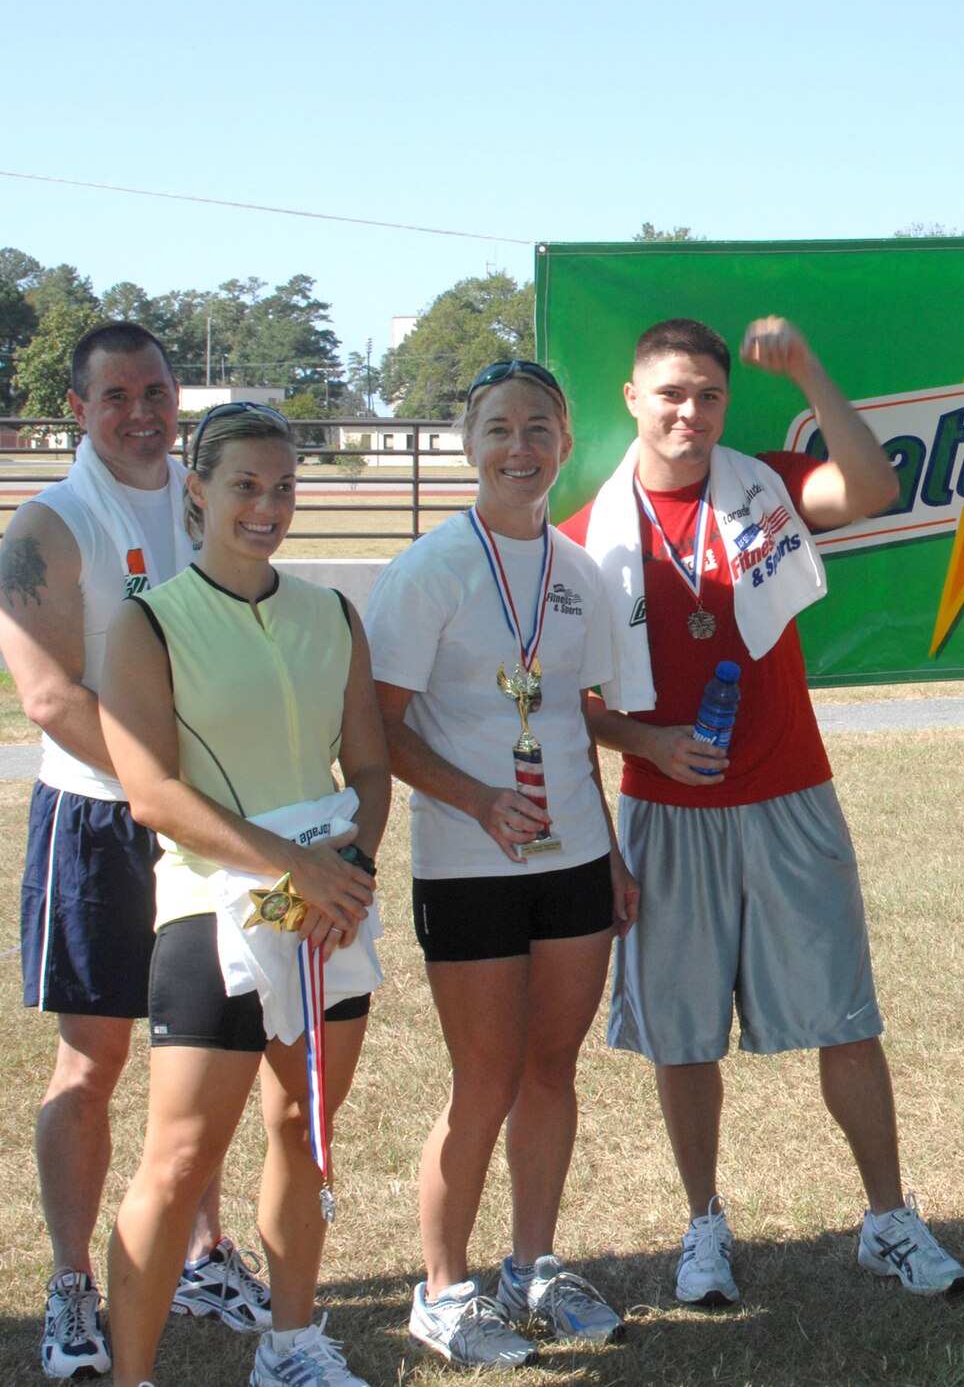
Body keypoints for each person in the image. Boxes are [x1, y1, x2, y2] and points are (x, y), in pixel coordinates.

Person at [564, 317, 964, 1303]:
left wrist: (807, 369)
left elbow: (872, 487)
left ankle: (887, 1216)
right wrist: (648, 742)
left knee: (845, 1015)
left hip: (790, 792)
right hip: (667, 807)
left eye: (706, 394)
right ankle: (703, 1224)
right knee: (683, 1033)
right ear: (631, 398)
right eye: (669, 393)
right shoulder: (583, 536)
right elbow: (562, 703)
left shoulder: (766, 484)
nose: (689, 412)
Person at [97, 403, 391, 1387]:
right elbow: (153, 793)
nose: (268, 508)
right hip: (210, 915)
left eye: (284, 487)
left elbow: (371, 770)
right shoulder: (145, 625)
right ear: (198, 491)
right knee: (178, 1163)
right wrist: (289, 867)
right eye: (245, 487)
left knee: (304, 1136)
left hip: (327, 918)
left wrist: (346, 877)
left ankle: (291, 1343)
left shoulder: (331, 614)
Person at [0, 323, 271, 1380]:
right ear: (78, 409)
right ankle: (72, 1285)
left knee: (198, 1048)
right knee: (95, 1057)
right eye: (116, 396)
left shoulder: (204, 498)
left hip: (200, 814)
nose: (142, 413)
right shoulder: (51, 523)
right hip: (104, 818)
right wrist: (164, 781)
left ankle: (202, 1252)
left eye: (156, 391)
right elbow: (51, 696)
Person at [368, 360, 636, 1367]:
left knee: (551, 1067)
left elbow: (576, 717)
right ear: (465, 442)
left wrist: (603, 847)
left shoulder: (578, 575)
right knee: (481, 1079)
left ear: (564, 444)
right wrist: (478, 801)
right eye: (497, 428)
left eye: (538, 429)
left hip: (569, 861)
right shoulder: (429, 569)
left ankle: (534, 1264)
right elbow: (380, 733)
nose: (518, 449)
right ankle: (441, 1290)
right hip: (467, 865)